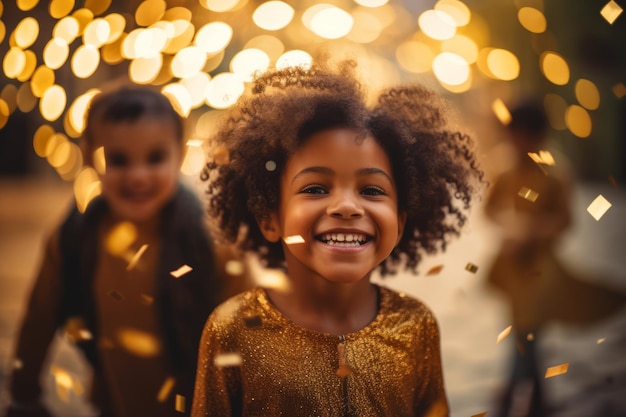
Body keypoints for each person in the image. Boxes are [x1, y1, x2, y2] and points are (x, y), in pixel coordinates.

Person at [190, 59, 484, 416]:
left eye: (372, 190)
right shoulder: (232, 329)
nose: (347, 206)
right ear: (270, 218)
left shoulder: (417, 325)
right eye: (315, 188)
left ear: (400, 222)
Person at [7, 86, 228, 417]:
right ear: (87, 157)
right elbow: (40, 314)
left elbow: (244, 324)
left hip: (195, 405)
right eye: (118, 160)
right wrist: (24, 393)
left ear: (179, 155)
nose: (137, 176)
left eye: (155, 158)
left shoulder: (207, 237)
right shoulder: (76, 234)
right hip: (112, 402)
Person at [484, 101, 626, 416]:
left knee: (527, 330)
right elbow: (490, 210)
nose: (517, 143)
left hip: (542, 269)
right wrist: (509, 226)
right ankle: (537, 400)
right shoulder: (506, 170)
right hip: (513, 267)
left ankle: (511, 393)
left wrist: (536, 230)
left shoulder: (554, 171)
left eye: (523, 136)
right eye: (513, 136)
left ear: (538, 136)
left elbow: (565, 220)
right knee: (524, 331)